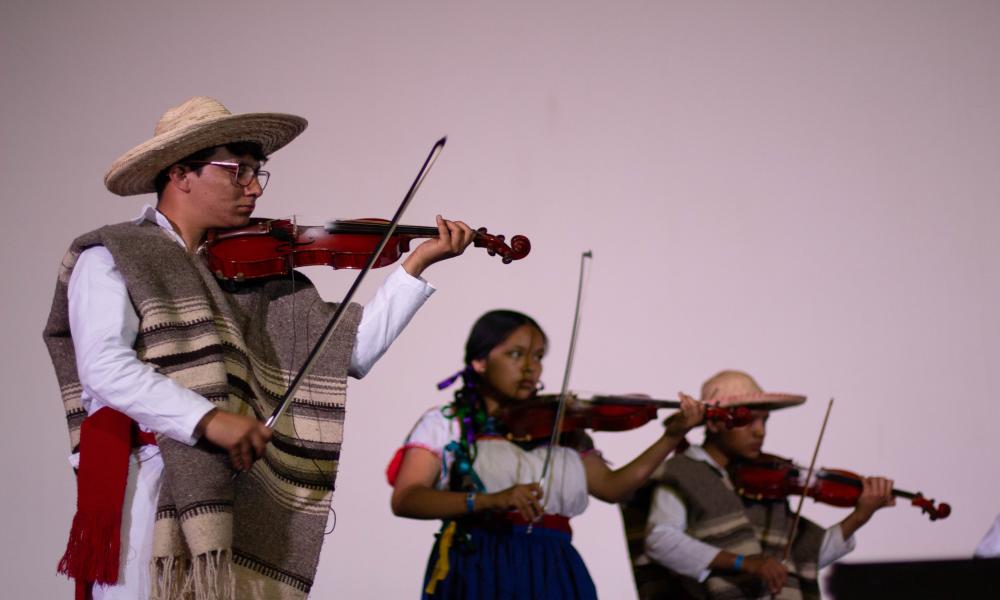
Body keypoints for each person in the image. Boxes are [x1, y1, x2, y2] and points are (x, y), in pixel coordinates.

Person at [43, 96, 476, 600]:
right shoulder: (113, 255)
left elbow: (349, 354)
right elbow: (104, 368)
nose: (253, 187)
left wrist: (414, 266)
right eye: (239, 171)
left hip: (234, 488)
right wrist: (208, 420)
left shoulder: (252, 274)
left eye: (257, 172)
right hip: (143, 479)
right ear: (182, 173)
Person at [387, 309, 706, 599]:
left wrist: (671, 436)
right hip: (477, 565)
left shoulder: (561, 427)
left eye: (538, 356)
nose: (530, 367)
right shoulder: (446, 422)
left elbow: (612, 488)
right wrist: (489, 500)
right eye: (515, 354)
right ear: (480, 361)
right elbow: (407, 498)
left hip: (554, 567)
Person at [624, 370, 895, 600]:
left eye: (764, 420)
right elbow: (661, 541)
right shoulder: (681, 471)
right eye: (748, 420)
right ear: (716, 422)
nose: (760, 431)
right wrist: (744, 562)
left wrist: (860, 516)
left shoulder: (763, 484)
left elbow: (800, 560)